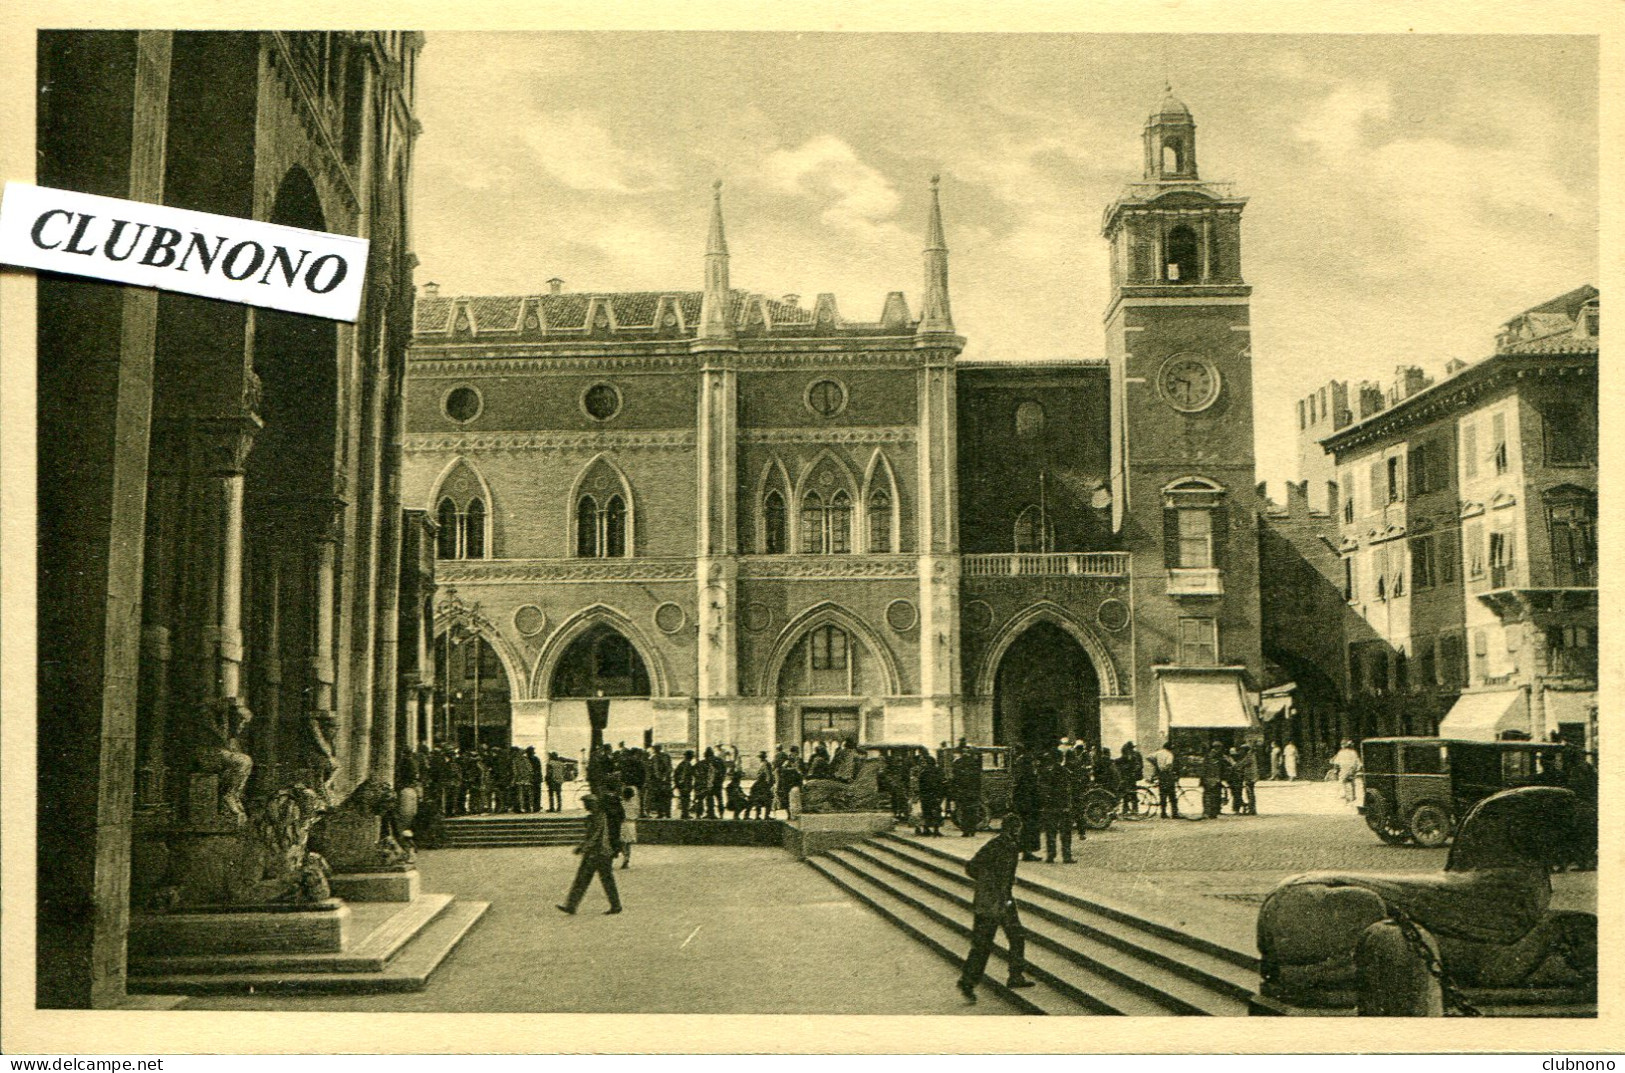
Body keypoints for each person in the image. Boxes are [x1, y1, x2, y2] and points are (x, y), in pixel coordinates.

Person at [956, 814, 1035, 1003]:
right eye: (1018, 828)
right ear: (1015, 829)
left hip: (988, 901)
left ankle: (968, 982)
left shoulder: (994, 844)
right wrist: (994, 885)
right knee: (1015, 936)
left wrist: (986, 884)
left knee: (983, 945)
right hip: (1000, 901)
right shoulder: (1009, 847)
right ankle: (1015, 976)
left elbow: (971, 867)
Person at [557, 793, 622, 915]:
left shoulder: (598, 817)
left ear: (592, 804)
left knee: (586, 879)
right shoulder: (596, 816)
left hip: (599, 853)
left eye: (586, 804)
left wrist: (582, 848)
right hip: (599, 852)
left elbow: (594, 836)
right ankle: (572, 905)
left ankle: (572, 905)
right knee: (599, 879)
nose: (585, 806)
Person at [1036, 751, 1075, 864]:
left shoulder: (1045, 772)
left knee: (1050, 832)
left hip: (1049, 806)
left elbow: (1041, 790)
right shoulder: (1065, 772)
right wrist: (1068, 805)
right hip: (1062, 806)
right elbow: (1067, 790)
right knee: (1066, 833)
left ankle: (1051, 855)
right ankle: (1066, 857)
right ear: (1061, 759)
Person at [1011, 751, 1042, 861]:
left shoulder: (1021, 776)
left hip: (1023, 806)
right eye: (1032, 763)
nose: (1034, 764)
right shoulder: (1029, 777)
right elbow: (1033, 792)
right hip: (1029, 807)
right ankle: (1027, 852)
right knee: (1029, 829)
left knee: (1025, 829)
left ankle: (1026, 852)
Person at [951, 746, 984, 836]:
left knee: (964, 811)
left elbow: (955, 778)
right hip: (972, 792)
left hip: (963, 791)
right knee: (972, 811)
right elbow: (978, 779)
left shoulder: (958, 762)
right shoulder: (974, 763)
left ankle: (966, 831)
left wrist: (955, 791)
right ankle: (972, 830)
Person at [915, 750, 945, 836]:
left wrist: (921, 794)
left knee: (926, 812)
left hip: (926, 795)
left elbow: (921, 784)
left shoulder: (924, 772)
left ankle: (926, 829)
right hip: (936, 795)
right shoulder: (939, 771)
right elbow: (942, 783)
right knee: (936, 812)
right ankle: (936, 829)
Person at [1151, 740, 1181, 819]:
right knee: (1172, 795)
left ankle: (1163, 813)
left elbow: (1149, 757)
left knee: (1163, 794)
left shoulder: (1158, 752)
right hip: (1167, 775)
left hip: (1161, 775)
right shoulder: (1169, 754)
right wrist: (1166, 769)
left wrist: (1156, 764)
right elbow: (1169, 764)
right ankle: (1174, 814)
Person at [1199, 742, 1229, 820]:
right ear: (1217, 748)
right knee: (1209, 796)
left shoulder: (1217, 756)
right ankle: (1207, 812)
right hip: (1210, 779)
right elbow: (1206, 768)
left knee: (1215, 796)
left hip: (1214, 779)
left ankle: (1213, 813)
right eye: (1220, 748)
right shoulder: (1211, 755)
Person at [1331, 739, 1362, 804]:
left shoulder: (1341, 752)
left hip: (1344, 771)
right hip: (1352, 771)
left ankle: (1346, 797)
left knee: (1342, 782)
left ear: (1343, 746)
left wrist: (1335, 770)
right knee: (1352, 782)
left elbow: (1336, 762)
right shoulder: (1354, 752)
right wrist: (1357, 769)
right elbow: (1358, 763)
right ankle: (1353, 796)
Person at [648, 744, 674, 818]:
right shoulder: (666, 756)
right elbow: (670, 768)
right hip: (666, 781)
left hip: (658, 781)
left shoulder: (654, 757)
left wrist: (659, 778)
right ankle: (667, 813)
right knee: (666, 797)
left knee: (659, 797)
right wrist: (666, 777)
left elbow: (654, 770)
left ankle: (660, 813)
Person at [1117, 742, 1143, 815]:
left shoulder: (1134, 755)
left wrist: (1133, 770)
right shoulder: (1131, 754)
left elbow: (1139, 765)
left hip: (1131, 776)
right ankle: (1129, 808)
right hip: (1129, 776)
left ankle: (1132, 809)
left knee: (1131, 792)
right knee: (1128, 792)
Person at [748, 751, 776, 819]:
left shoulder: (765, 764)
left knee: (767, 800)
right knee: (762, 800)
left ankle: (764, 815)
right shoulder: (764, 763)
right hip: (761, 784)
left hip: (764, 784)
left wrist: (769, 784)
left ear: (762, 758)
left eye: (760, 757)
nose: (760, 759)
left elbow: (768, 775)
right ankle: (760, 816)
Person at [618, 784, 639, 868]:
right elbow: (637, 814)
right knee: (628, 844)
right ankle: (627, 858)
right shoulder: (635, 805)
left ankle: (624, 856)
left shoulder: (621, 803)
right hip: (632, 824)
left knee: (622, 842)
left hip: (623, 823)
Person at [1236, 743, 1259, 815]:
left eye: (1242, 750)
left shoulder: (1249, 756)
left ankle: (1252, 809)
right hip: (1251, 776)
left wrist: (1235, 766)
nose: (1241, 751)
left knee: (1250, 793)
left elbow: (1243, 763)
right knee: (1250, 792)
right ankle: (1252, 809)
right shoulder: (1251, 755)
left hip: (1250, 777)